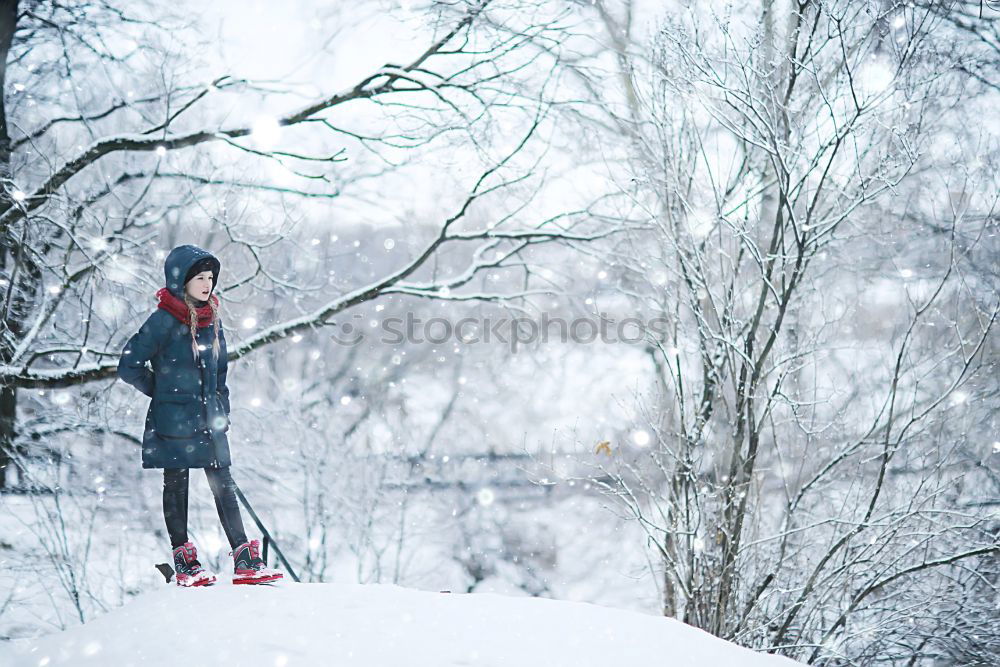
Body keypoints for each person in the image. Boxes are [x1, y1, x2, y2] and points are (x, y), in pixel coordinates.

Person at [117, 244, 283, 587]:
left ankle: (244, 557)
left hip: (209, 418)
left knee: (223, 482)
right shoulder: (162, 320)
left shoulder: (212, 320)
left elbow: (220, 372)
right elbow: (128, 365)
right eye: (200, 277)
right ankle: (185, 561)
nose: (207, 284)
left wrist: (222, 407)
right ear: (181, 281)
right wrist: (161, 392)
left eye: (211, 277)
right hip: (173, 420)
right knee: (176, 484)